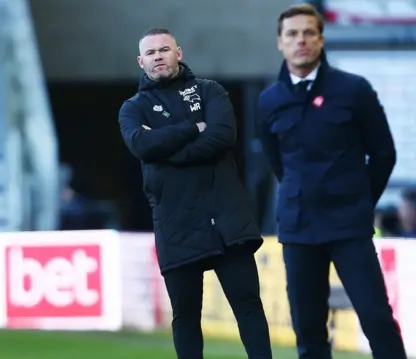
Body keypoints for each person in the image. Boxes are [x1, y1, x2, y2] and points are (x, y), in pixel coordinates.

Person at [257, 4, 406, 359]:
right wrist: (299, 195)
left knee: (376, 318)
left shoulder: (353, 90)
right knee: (308, 331)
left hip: (348, 226)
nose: (301, 40)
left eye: (309, 32)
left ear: (321, 40)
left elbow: (383, 154)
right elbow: (277, 162)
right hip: (297, 228)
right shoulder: (269, 100)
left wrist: (359, 201)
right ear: (280, 43)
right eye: (292, 34)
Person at [119, 28, 272, 359]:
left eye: (165, 49)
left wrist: (166, 150)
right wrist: (192, 129)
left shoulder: (209, 91)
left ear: (179, 53)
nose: (158, 56)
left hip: (226, 218)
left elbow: (221, 138)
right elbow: (141, 144)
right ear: (140, 61)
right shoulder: (133, 108)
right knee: (186, 316)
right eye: (151, 52)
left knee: (248, 306)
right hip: (176, 224)